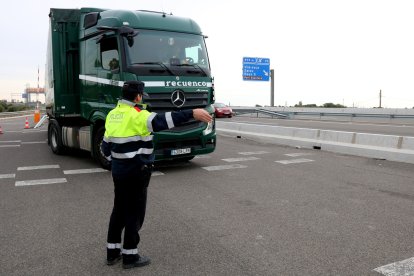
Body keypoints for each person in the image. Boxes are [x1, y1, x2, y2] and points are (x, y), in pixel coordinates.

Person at [101, 80, 212, 269]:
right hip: (137, 173)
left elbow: (105, 148)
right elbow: (165, 120)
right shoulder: (139, 115)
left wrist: (118, 162)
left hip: (119, 173)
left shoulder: (113, 115)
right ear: (137, 96)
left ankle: (112, 253)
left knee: (118, 210)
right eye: (141, 94)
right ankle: (130, 256)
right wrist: (192, 113)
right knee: (134, 214)